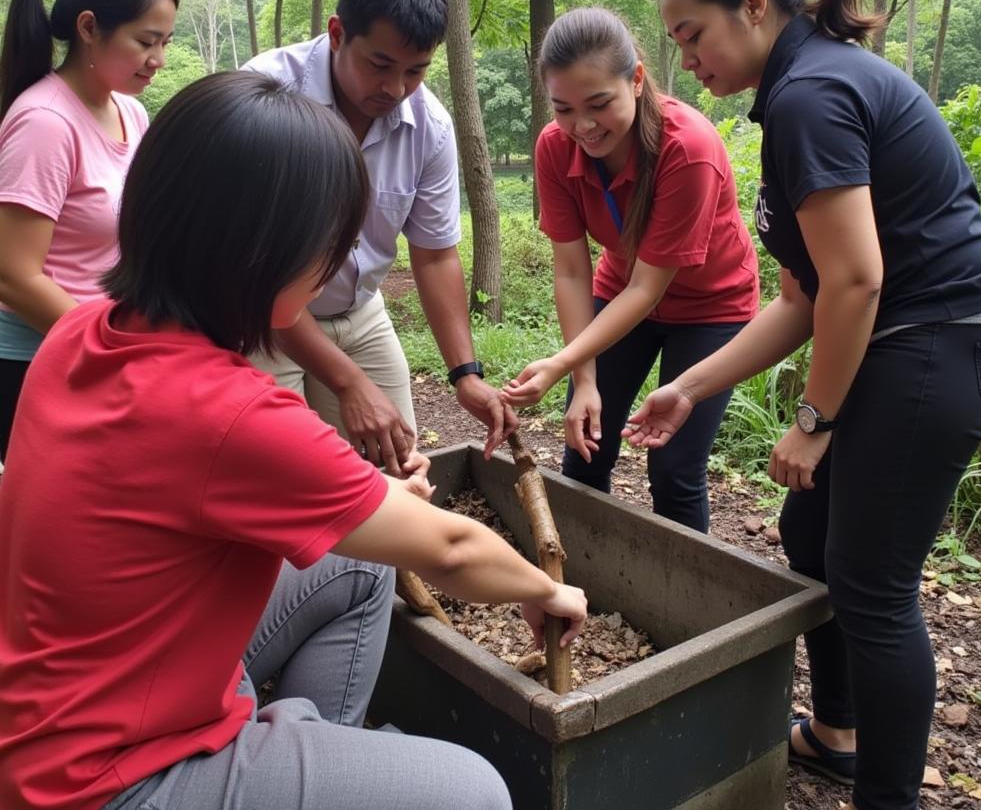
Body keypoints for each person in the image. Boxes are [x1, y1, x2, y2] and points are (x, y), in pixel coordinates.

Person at [0, 71, 587, 810]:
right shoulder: (227, 412)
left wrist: (370, 500)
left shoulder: (84, 327)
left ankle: (306, 746)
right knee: (475, 793)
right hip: (107, 780)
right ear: (265, 257)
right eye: (328, 248)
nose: (334, 268)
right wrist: (546, 588)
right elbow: (453, 550)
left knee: (364, 567)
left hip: (56, 704)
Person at [625, 0, 981, 810]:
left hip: (945, 335)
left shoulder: (811, 96)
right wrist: (688, 385)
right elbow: (804, 299)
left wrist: (813, 422)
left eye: (692, 34)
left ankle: (888, 797)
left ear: (755, 6)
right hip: (905, 334)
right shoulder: (802, 89)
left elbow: (855, 281)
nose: (685, 58)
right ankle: (839, 733)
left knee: (873, 586)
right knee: (810, 538)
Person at [244, 0, 515, 474]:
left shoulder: (429, 126)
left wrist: (466, 373)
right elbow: (252, 273)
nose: (395, 89)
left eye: (416, 71)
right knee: (280, 473)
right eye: (380, 65)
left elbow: (435, 255)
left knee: (397, 466)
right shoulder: (266, 95)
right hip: (258, 317)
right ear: (339, 32)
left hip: (359, 313)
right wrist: (347, 383)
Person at [502, 8, 759, 531]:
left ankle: (689, 602)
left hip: (711, 308)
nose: (583, 126)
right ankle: (580, 584)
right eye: (563, 109)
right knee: (585, 441)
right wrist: (583, 376)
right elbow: (572, 271)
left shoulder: (688, 149)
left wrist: (556, 365)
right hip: (621, 294)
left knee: (674, 467)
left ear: (637, 79)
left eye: (599, 104)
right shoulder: (556, 147)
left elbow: (649, 288)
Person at [0, 0, 177, 458]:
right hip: (38, 359)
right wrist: (107, 350)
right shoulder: (45, 123)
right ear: (87, 28)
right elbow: (14, 273)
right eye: (146, 41)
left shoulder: (130, 112)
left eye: (166, 41)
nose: (159, 61)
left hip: (104, 345)